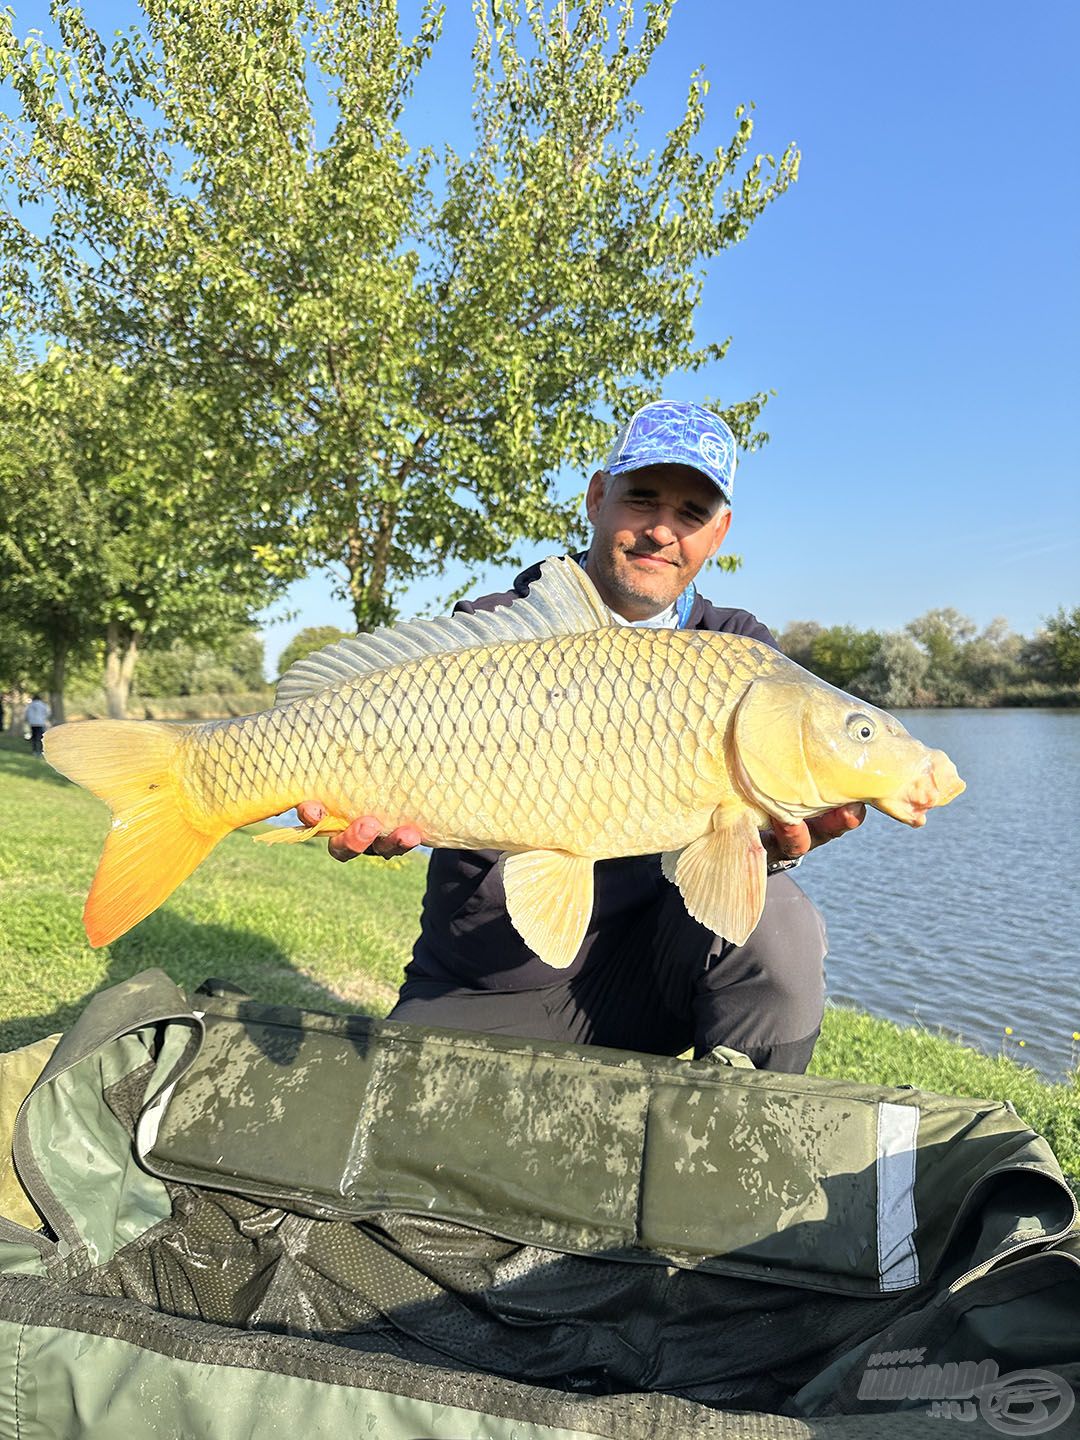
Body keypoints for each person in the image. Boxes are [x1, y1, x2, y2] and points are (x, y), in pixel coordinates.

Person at [298, 401, 864, 1072]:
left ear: (719, 534)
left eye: (690, 515)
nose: (660, 531)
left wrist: (773, 849)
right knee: (400, 1155)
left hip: (647, 980)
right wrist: (364, 814)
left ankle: (734, 1155)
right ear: (598, 497)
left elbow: (730, 868)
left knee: (781, 926)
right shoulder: (497, 628)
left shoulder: (739, 652)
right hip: (488, 980)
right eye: (642, 500)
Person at [24, 694, 50, 759]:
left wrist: (28, 720)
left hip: (32, 723)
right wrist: (44, 718)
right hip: (40, 723)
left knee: (34, 737)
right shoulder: (43, 705)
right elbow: (48, 712)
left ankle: (34, 751)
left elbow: (26, 713)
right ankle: (41, 751)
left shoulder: (30, 705)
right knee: (41, 738)